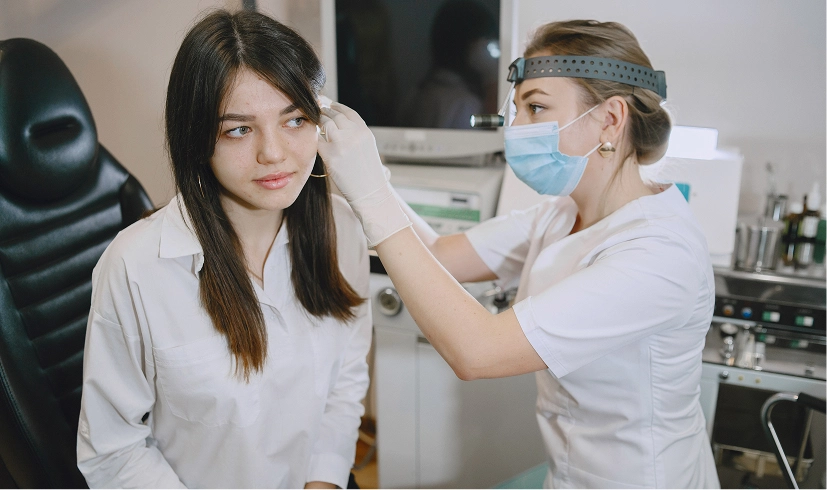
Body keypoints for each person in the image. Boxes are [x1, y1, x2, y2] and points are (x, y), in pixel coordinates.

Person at [318, 19, 720, 489]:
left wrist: (371, 197)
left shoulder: (657, 252)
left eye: (536, 108)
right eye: (518, 108)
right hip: (568, 473)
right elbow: (439, 255)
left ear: (610, 119)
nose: (517, 128)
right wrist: (367, 178)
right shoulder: (561, 213)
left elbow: (478, 353)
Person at [77, 9, 370, 489]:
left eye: (295, 119)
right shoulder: (135, 267)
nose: (273, 153)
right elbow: (113, 451)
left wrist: (325, 478)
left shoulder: (343, 230)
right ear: (197, 137)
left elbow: (347, 377)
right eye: (239, 129)